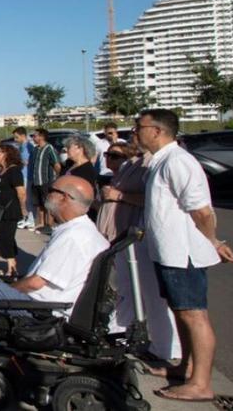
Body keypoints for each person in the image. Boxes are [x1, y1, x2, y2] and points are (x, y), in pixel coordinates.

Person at [0, 175, 110, 371]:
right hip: (55, 306)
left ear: (65, 198)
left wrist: (8, 290)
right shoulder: (84, 231)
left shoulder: (73, 238)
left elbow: (36, 283)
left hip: (45, 312)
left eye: (52, 190)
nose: (47, 194)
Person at [137, 109, 233, 403]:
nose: (135, 132)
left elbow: (202, 211)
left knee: (194, 315)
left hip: (183, 254)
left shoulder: (178, 161)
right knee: (181, 312)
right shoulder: (161, 162)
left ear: (156, 131)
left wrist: (212, 241)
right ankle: (186, 366)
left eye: (139, 126)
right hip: (168, 253)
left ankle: (201, 383)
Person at [98, 139, 182, 362]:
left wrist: (119, 196)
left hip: (140, 235)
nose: (135, 134)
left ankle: (168, 347)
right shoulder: (134, 164)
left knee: (152, 293)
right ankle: (120, 329)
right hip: (124, 234)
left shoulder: (154, 162)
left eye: (138, 130)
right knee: (124, 287)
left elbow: (153, 200)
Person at [0, 144, 27, 277]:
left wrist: (23, 209)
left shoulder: (14, 171)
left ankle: (12, 268)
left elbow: (21, 192)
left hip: (10, 210)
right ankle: (11, 265)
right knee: (3, 238)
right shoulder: (2, 171)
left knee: (5, 237)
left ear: (7, 154)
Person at [28, 128, 62, 231]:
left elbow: (57, 165)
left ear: (41, 137)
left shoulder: (49, 148)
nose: (33, 138)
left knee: (47, 203)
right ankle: (41, 223)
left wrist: (57, 179)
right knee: (39, 204)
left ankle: (49, 225)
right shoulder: (35, 149)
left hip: (46, 181)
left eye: (35, 136)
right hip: (36, 181)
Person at [61, 136, 100, 220]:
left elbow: (87, 195)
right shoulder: (69, 164)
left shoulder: (88, 170)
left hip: (79, 213)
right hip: (65, 209)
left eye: (69, 147)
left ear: (80, 149)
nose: (66, 150)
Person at [11, 127, 36, 228]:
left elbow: (33, 159)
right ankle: (26, 218)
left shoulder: (29, 146)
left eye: (17, 137)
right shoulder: (22, 146)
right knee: (23, 199)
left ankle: (31, 219)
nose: (15, 140)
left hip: (27, 175)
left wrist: (26, 163)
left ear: (23, 136)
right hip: (22, 174)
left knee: (27, 198)